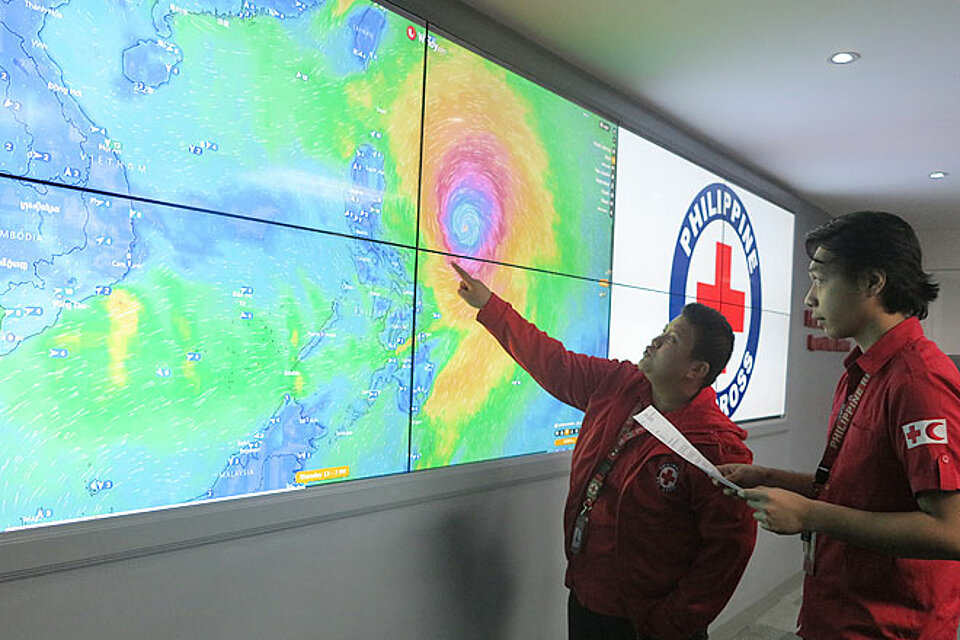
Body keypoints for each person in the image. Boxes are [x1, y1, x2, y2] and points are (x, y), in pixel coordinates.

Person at [451, 262, 757, 640]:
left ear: (696, 370)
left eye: (672, 340)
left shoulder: (714, 447)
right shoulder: (620, 385)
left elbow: (729, 550)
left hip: (649, 623)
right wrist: (490, 307)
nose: (656, 342)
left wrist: (671, 622)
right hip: (587, 598)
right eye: (663, 333)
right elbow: (556, 364)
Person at [718, 211, 960, 639]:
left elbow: (950, 530)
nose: (810, 299)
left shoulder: (918, 381)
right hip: (839, 610)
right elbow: (865, 491)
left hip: (887, 627)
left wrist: (811, 514)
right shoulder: (863, 370)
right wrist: (770, 477)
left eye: (820, 279)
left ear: (872, 282)